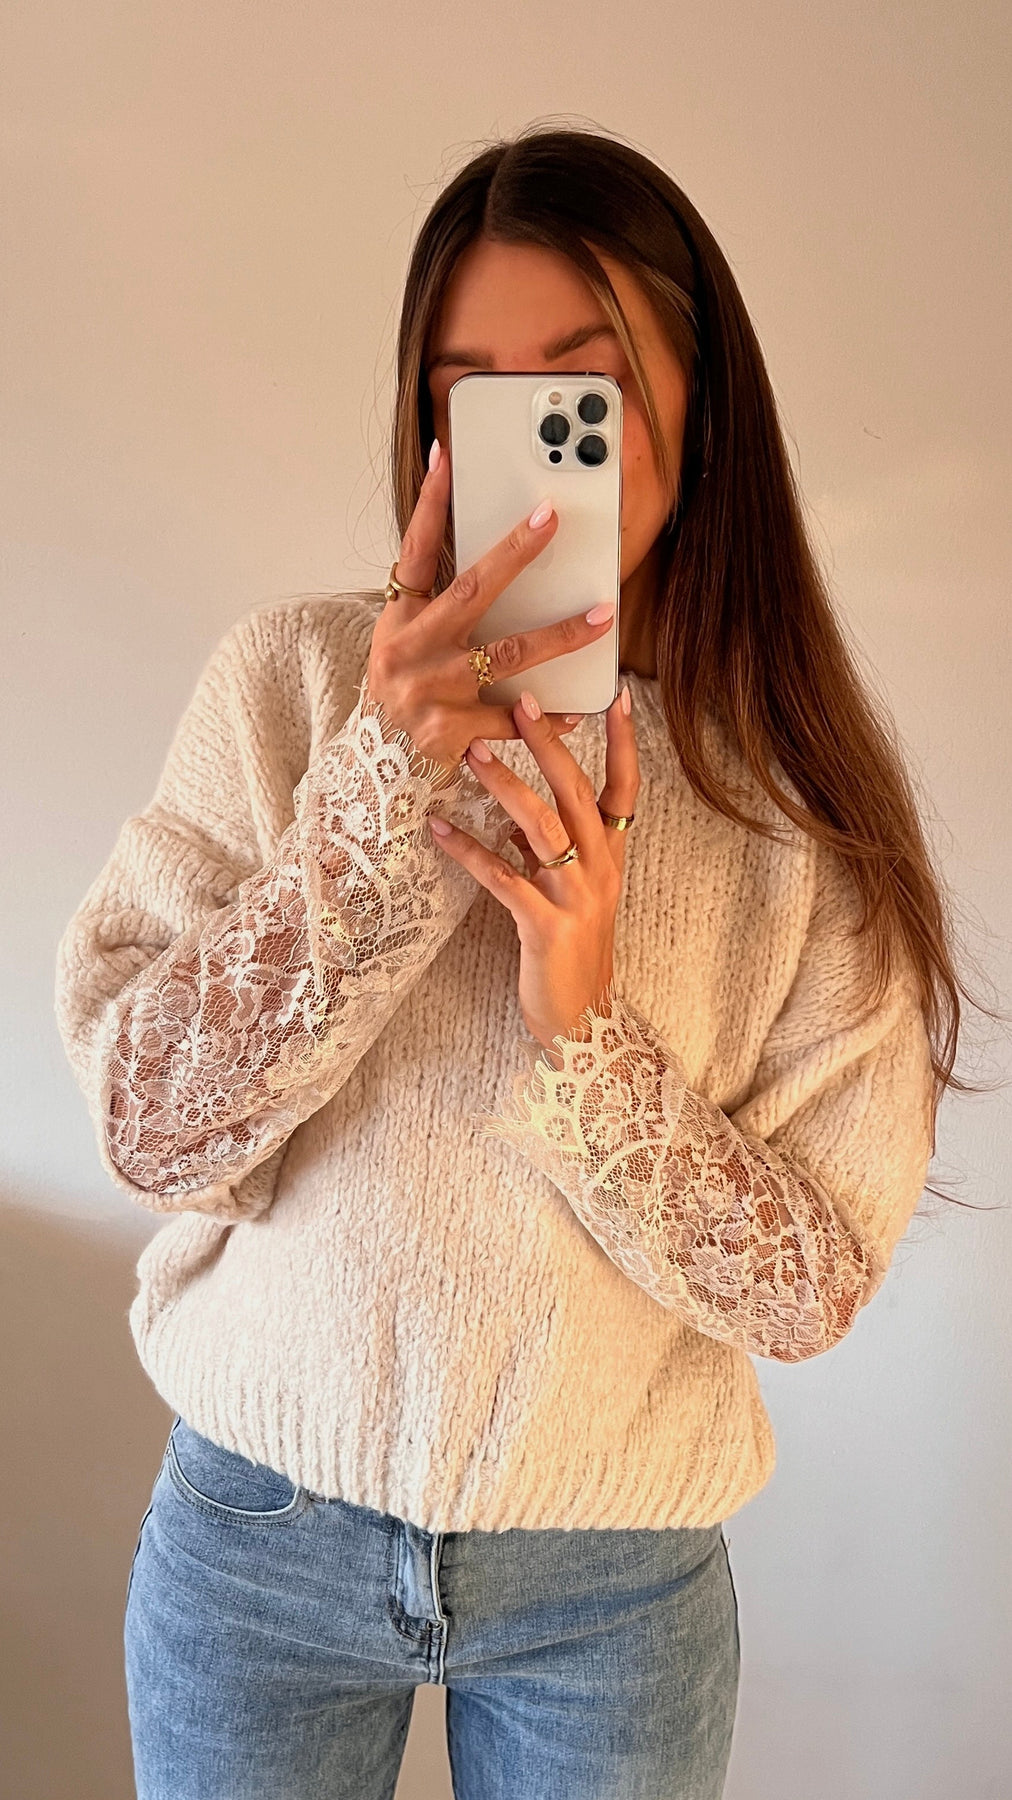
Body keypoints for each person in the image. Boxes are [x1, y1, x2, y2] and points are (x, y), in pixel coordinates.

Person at [54, 125, 963, 1799]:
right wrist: (375, 800)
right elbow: (154, 1132)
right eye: (473, 392)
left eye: (580, 387)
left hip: (610, 1589)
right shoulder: (292, 684)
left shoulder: (788, 799)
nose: (534, 443)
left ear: (701, 398)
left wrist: (587, 1035)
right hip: (260, 1537)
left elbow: (810, 1286)